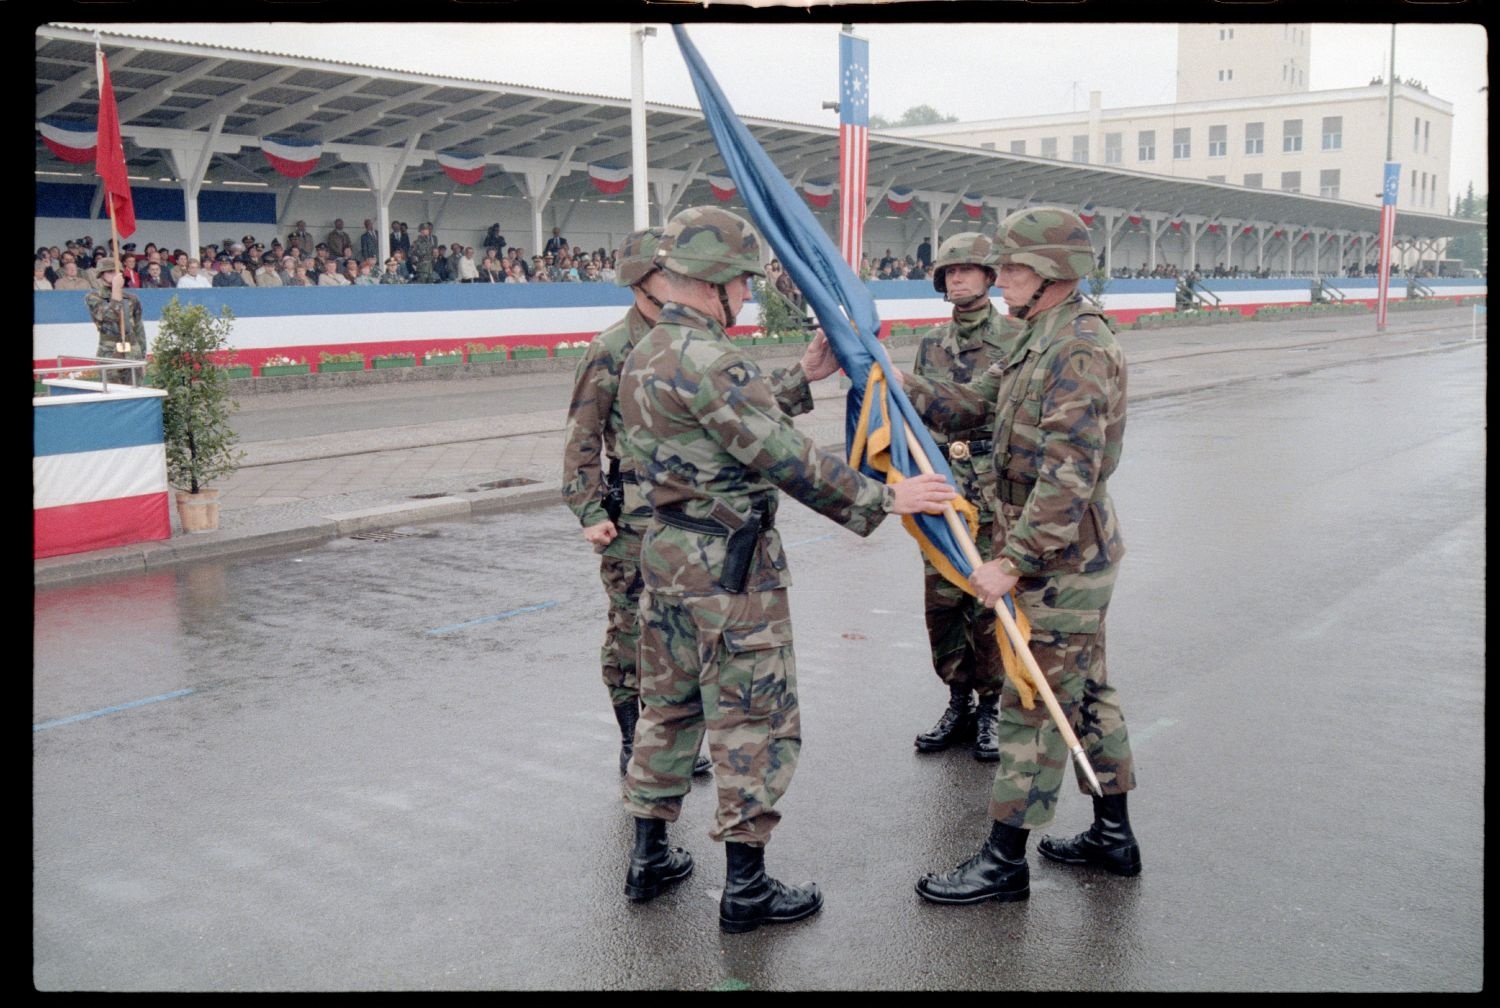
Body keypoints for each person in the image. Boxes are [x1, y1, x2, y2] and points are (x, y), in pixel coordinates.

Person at [614, 206, 956, 932]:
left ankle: (647, 855)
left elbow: (722, 424)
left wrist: (801, 377)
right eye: (742, 281)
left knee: (666, 710)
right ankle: (746, 888)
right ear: (718, 285)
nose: (745, 294)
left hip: (668, 558)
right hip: (731, 572)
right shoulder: (712, 357)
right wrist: (885, 496)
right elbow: (780, 456)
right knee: (750, 721)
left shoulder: (645, 349)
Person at [899, 206, 1139, 907]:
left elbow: (1072, 471)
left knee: (1029, 702)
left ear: (1054, 272)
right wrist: (895, 380)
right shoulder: (1041, 335)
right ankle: (1113, 836)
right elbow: (976, 405)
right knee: (1088, 696)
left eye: (1013, 267)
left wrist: (1016, 559)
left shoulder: (1080, 348)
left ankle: (1004, 863)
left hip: (1060, 559)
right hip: (1060, 552)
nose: (1000, 278)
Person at [560, 229, 715, 783]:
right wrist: (589, 511)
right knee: (630, 633)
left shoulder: (696, 341)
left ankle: (667, 741)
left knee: (681, 634)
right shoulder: (610, 349)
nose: (678, 281)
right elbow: (582, 436)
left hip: (690, 517)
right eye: (667, 272)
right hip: (632, 524)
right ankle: (633, 741)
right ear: (640, 279)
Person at [911, 232, 1025, 761]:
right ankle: (957, 701)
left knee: (987, 602)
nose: (956, 278)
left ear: (989, 276)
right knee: (943, 602)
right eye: (948, 272)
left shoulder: (1016, 337)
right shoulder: (932, 342)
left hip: (991, 488)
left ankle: (990, 707)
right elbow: (920, 418)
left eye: (967, 269)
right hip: (943, 489)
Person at [84, 257, 147, 377]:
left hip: (133, 352)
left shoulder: (132, 299)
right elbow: (110, 316)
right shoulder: (94, 297)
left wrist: (143, 357)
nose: (114, 275)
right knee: (112, 390)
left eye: (117, 272)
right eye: (110, 272)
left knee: (135, 391)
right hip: (109, 352)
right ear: (101, 275)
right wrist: (116, 289)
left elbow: (139, 329)